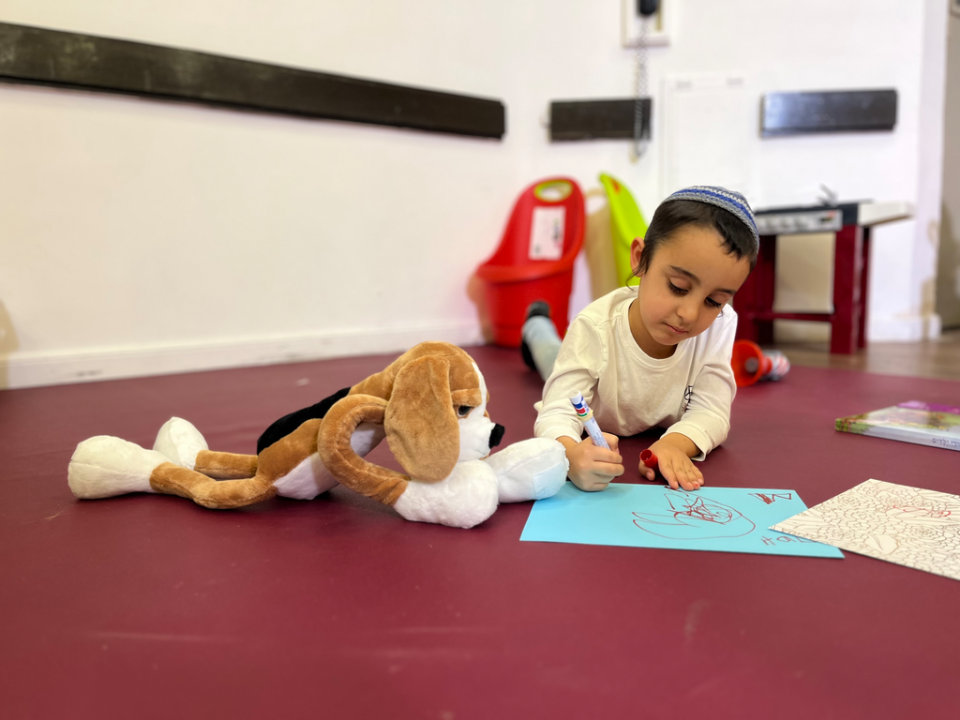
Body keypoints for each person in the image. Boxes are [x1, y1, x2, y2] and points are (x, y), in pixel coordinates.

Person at [521, 186, 758, 493]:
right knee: (549, 354)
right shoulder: (594, 328)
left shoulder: (720, 326)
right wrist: (568, 453)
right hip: (589, 377)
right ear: (640, 259)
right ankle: (536, 324)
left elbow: (712, 410)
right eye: (677, 286)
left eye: (714, 301)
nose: (688, 313)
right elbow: (558, 411)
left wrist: (674, 444)